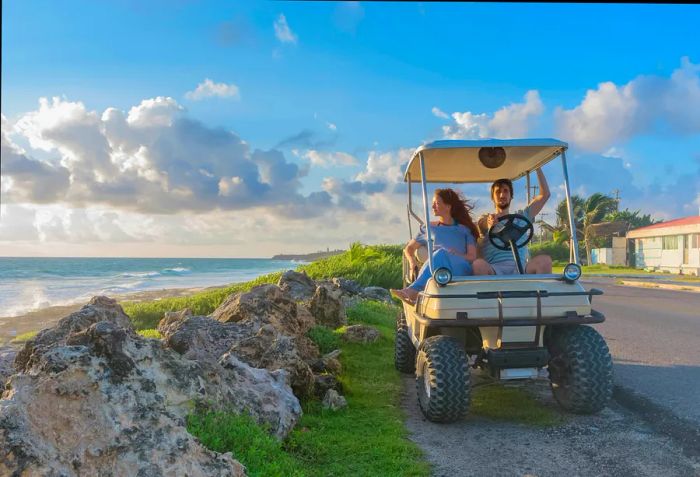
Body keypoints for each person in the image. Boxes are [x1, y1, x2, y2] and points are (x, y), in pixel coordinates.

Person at [391, 188, 479, 305]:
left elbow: (472, 257)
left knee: (441, 253)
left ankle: (413, 291)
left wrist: (456, 254)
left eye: (437, 203)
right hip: (438, 270)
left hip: (460, 268)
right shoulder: (429, 228)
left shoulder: (464, 230)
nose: (433, 207)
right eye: (433, 204)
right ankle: (416, 292)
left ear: (448, 207)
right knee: (440, 254)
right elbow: (409, 248)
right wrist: (412, 263)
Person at [472, 168, 552, 275]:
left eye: (505, 191)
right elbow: (483, 223)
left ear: (511, 196)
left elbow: (544, 195)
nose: (502, 195)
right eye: (498, 192)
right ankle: (489, 291)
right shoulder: (486, 219)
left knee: (545, 261)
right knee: (478, 265)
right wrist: (490, 223)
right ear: (493, 197)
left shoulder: (523, 216)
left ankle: (539, 291)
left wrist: (537, 166)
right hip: (495, 269)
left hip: (521, 268)